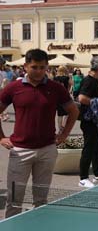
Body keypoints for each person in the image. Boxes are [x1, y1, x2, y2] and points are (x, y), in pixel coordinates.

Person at [0, 49, 79, 217]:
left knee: (41, 201)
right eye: (34, 67)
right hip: (20, 151)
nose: (38, 71)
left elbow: (73, 111)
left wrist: (64, 134)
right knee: (14, 200)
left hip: (47, 151)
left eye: (42, 67)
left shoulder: (56, 88)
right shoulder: (13, 88)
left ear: (47, 67)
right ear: (25, 66)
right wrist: (1, 138)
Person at [78, 56, 98, 188]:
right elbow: (81, 98)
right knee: (89, 148)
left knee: (97, 147)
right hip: (88, 119)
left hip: (96, 120)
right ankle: (83, 178)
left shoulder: (95, 80)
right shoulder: (89, 81)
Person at [54, 65, 73, 133]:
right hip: (65, 96)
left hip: (57, 97)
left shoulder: (55, 78)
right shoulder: (67, 78)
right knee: (67, 113)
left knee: (59, 114)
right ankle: (63, 126)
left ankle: (60, 129)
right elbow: (71, 85)